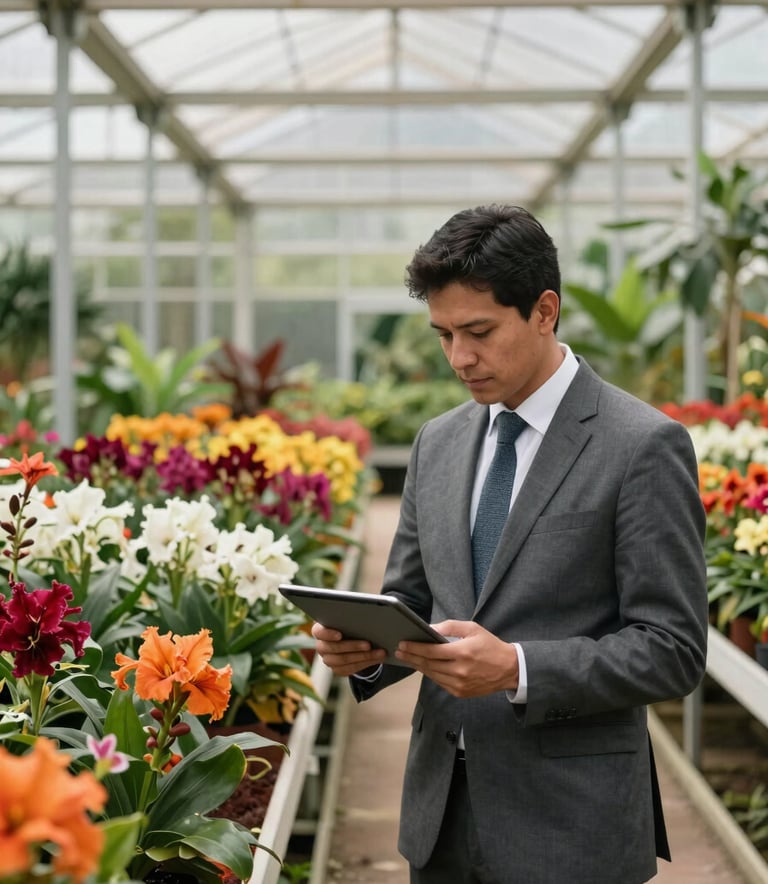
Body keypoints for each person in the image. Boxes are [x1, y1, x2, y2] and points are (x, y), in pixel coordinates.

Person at [312, 204, 708, 884]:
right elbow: (408, 598)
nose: (459, 358)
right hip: (440, 820)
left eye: (479, 331)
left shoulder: (641, 447)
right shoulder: (438, 441)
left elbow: (672, 650)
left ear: (545, 311)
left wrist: (518, 667)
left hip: (571, 830)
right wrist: (365, 648)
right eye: (443, 335)